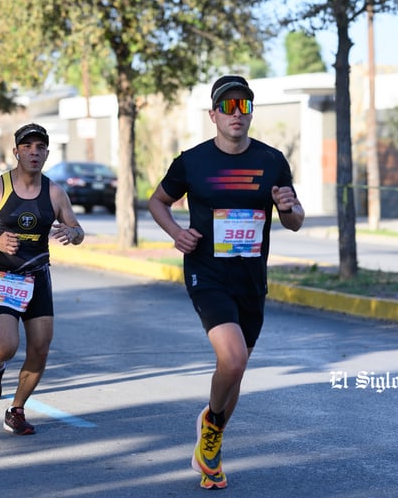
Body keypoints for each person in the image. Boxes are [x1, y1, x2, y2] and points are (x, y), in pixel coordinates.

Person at [148, 75, 305, 489]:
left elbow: (293, 220)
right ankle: (212, 426)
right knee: (232, 359)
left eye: (245, 106)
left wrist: (289, 209)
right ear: (214, 115)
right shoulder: (192, 161)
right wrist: (176, 233)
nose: (237, 114)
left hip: (251, 277)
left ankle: (211, 440)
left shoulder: (272, 161)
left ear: (251, 113)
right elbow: (157, 201)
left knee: (236, 369)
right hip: (207, 272)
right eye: (229, 107)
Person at [0, 123, 85, 436]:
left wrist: (73, 232)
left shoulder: (54, 192)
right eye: (27, 146)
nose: (34, 152)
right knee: (6, 347)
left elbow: (78, 229)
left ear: (46, 153)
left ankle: (16, 409)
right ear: (16, 152)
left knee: (40, 348)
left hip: (38, 276)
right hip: (4, 276)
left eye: (40, 147)